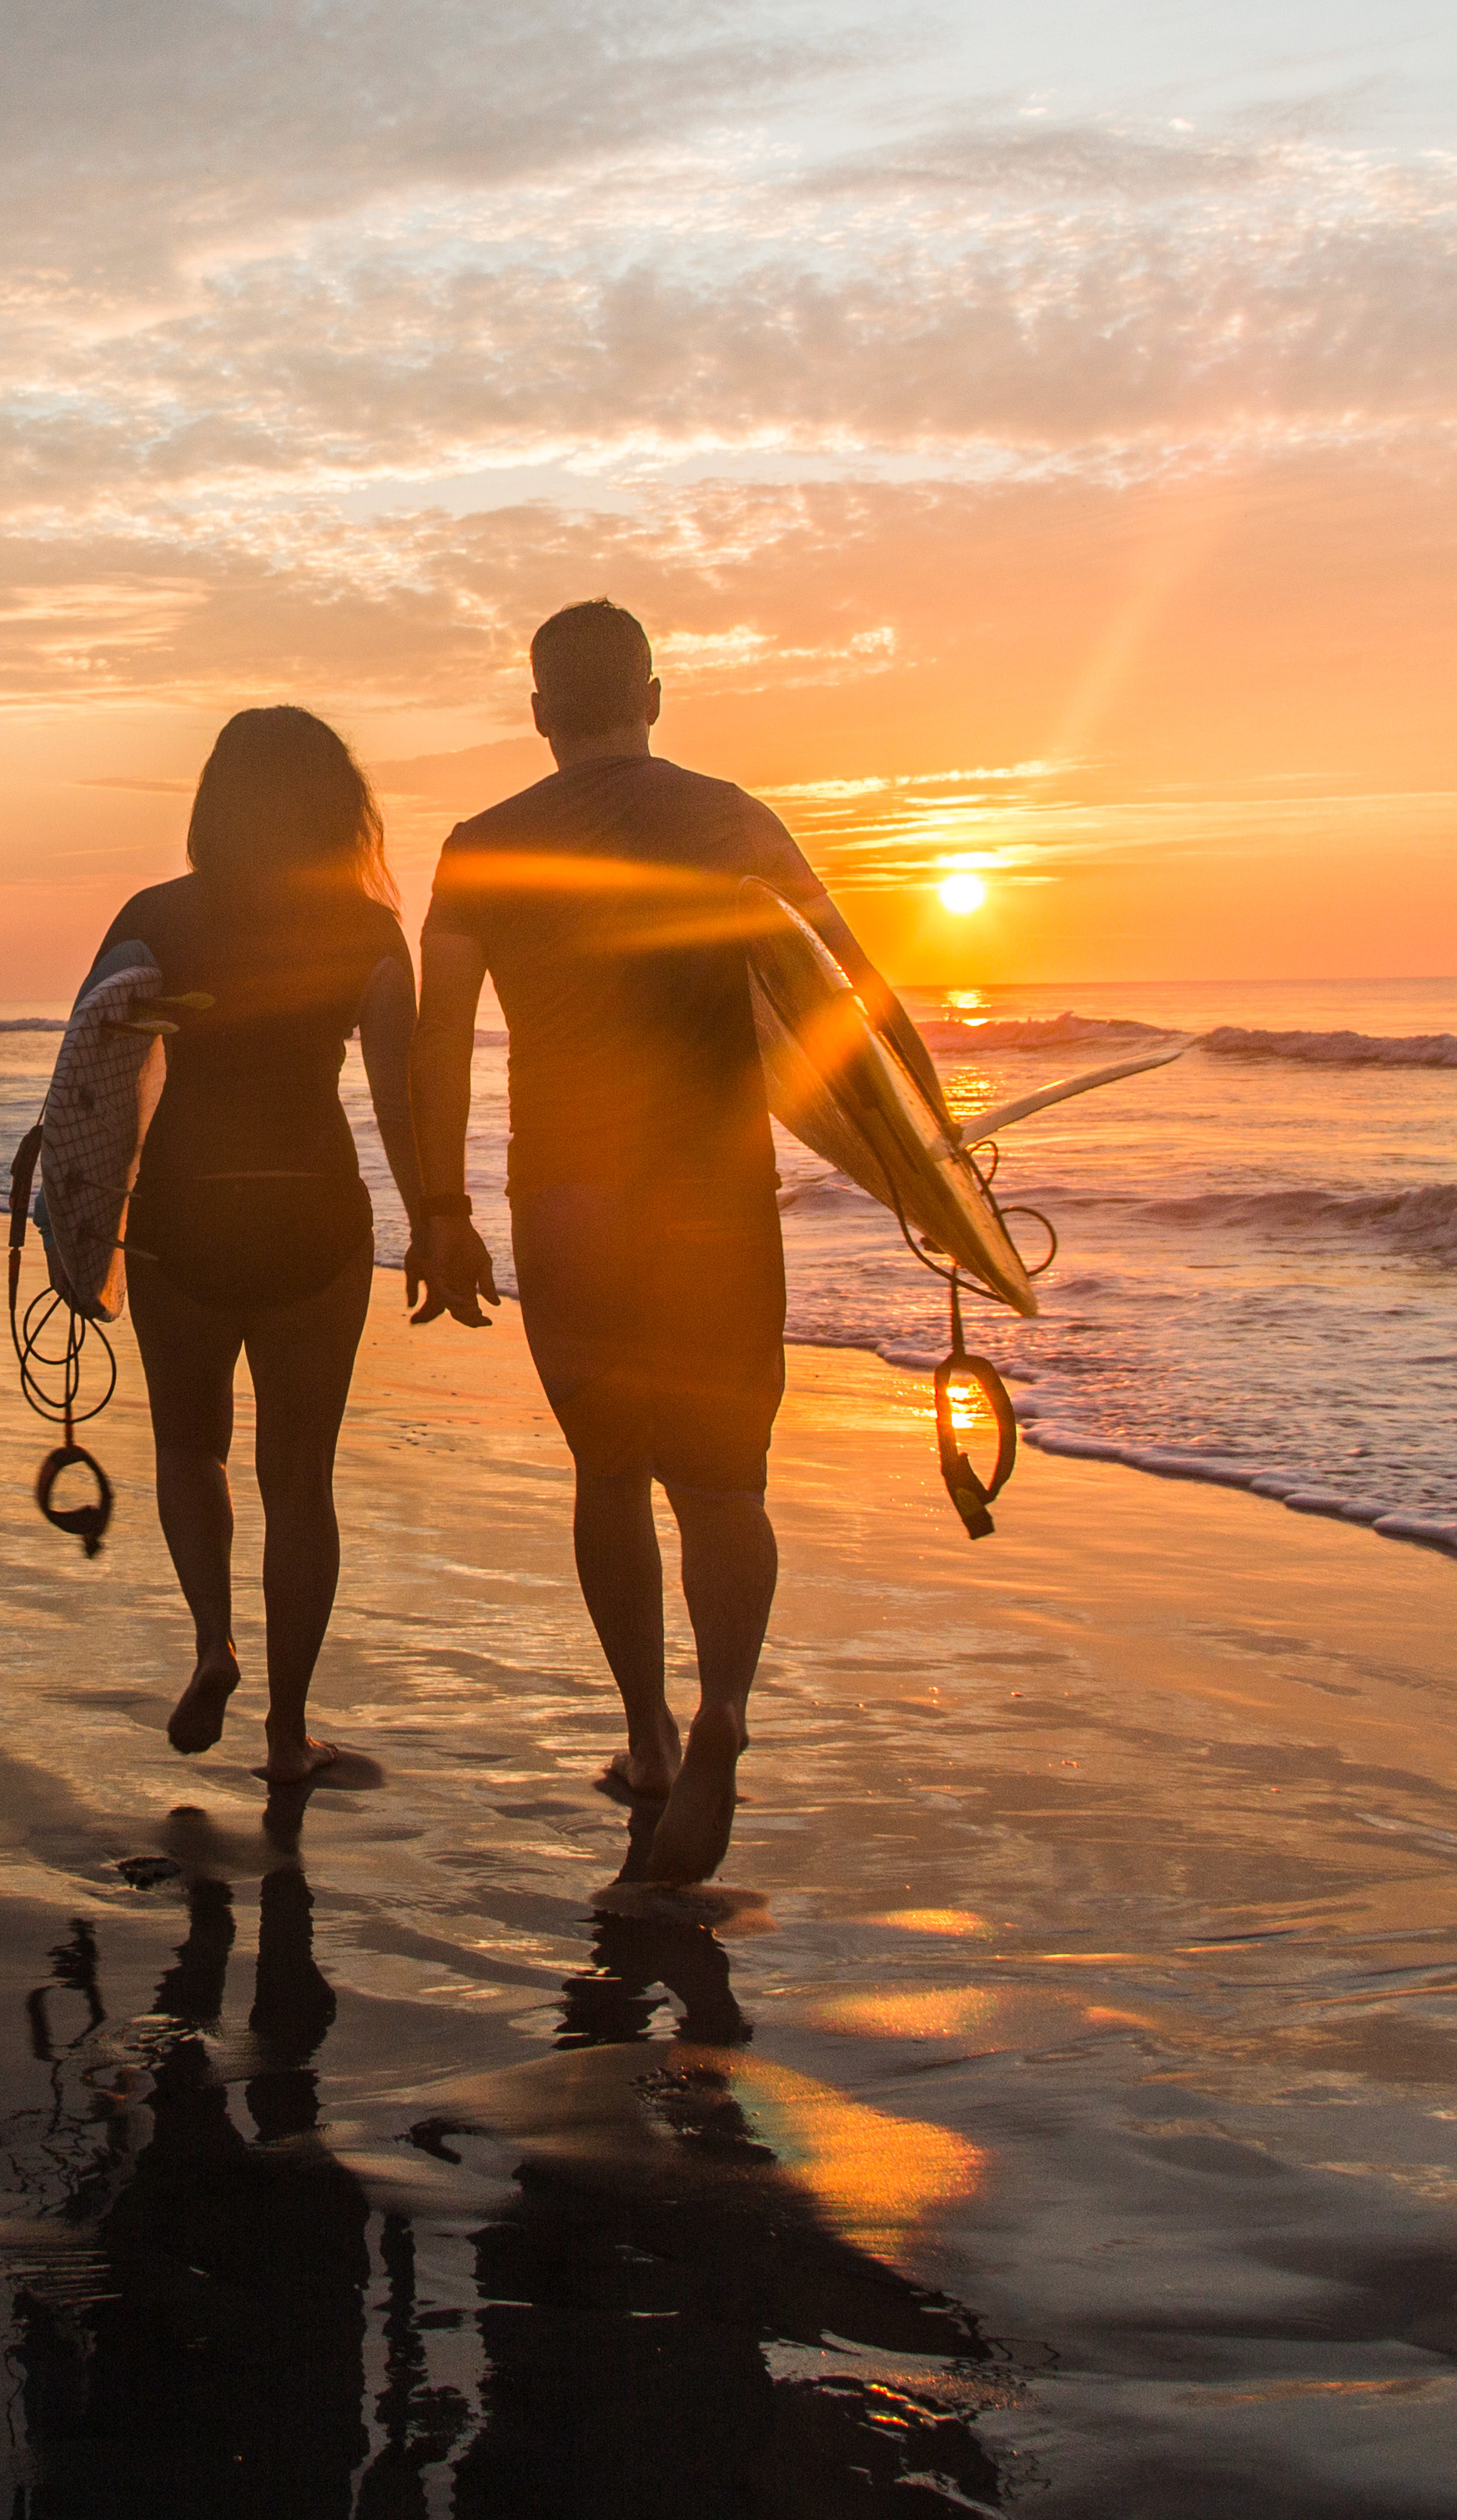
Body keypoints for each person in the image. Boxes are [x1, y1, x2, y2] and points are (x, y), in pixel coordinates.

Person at [402, 600, 932, 1885]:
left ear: (539, 712)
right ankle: (724, 1715)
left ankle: (642, 1737)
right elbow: (854, 992)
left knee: (608, 1474)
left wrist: (439, 1212)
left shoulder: (478, 850)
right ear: (654, 691)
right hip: (709, 1194)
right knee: (723, 1483)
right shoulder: (732, 817)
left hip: (566, 1197)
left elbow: (437, 1046)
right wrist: (935, 1153)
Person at [74, 707, 420, 1788]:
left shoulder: (154, 917)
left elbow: (92, 1081)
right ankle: (289, 1730)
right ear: (336, 804)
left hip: (184, 1215)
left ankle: (213, 1642)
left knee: (191, 1451)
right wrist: (441, 1223)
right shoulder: (366, 931)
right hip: (312, 1215)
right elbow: (403, 1103)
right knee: (299, 1479)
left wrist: (82, 1231)